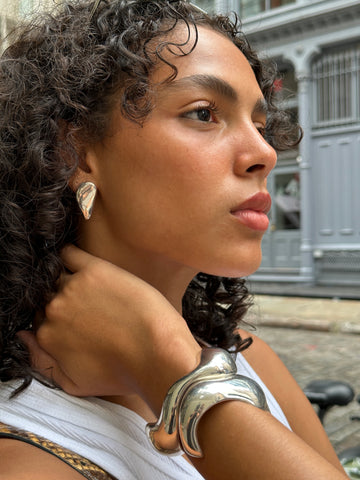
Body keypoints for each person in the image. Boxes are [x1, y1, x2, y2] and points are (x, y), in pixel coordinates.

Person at [0, 0, 348, 478]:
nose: (265, 153)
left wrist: (166, 363)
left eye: (262, 125)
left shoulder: (249, 360)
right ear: (73, 152)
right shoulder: (25, 454)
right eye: (204, 113)